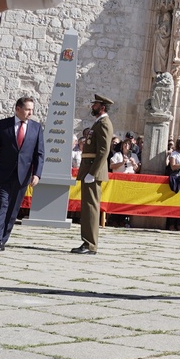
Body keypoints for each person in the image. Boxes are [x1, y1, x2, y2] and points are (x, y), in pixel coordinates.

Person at [0, 96, 45, 252]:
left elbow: (39, 153)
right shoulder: (3, 125)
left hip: (23, 176)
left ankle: (3, 239)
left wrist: (37, 174)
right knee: (2, 204)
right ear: (17, 109)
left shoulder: (36, 128)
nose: (30, 113)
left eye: (32, 109)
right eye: (27, 109)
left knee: (12, 209)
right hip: (2, 174)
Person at [73, 93, 113, 254]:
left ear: (102, 107)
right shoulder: (99, 123)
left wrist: (93, 172)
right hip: (89, 169)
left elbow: (103, 151)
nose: (92, 107)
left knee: (91, 208)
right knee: (87, 207)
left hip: (93, 171)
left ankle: (90, 244)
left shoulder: (104, 124)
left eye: (95, 105)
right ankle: (87, 242)